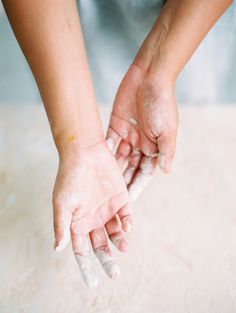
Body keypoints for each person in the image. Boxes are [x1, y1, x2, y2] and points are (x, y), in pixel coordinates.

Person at [2, 0, 232, 287]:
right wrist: (79, 138)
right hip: (65, 24)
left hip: (195, 16)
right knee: (94, 70)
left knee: (198, 94)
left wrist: (159, 70)